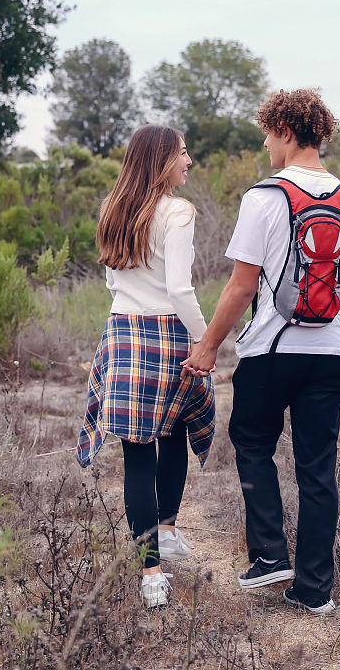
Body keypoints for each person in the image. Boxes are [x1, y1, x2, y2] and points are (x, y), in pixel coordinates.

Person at [182, 89, 340, 615]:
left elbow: (241, 287)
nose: (267, 145)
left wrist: (207, 348)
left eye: (268, 135)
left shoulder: (264, 197)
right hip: (333, 354)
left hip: (271, 352)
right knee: (318, 468)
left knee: (251, 441)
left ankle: (270, 556)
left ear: (287, 132)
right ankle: (315, 591)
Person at [76, 124, 216, 609]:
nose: (189, 160)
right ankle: (167, 534)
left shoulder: (115, 208)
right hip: (168, 332)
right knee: (174, 430)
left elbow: (114, 284)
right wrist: (205, 338)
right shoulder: (178, 212)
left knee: (138, 453)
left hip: (122, 333)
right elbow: (180, 289)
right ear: (161, 160)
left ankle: (151, 570)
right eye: (182, 152)